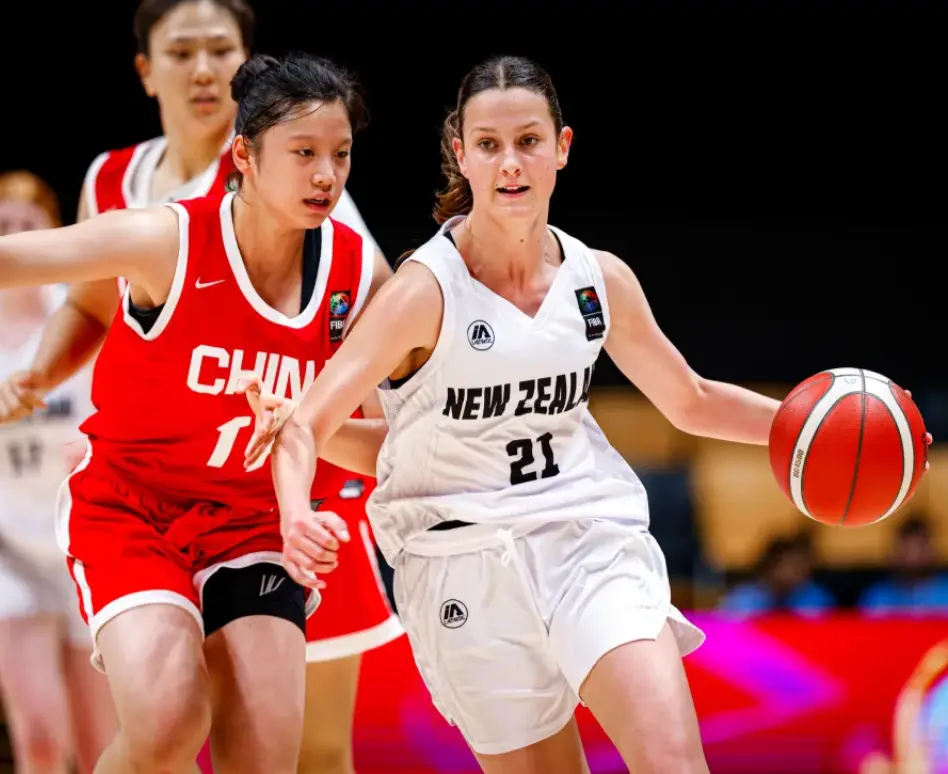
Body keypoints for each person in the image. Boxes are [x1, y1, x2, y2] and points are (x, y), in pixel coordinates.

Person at [242, 54, 805, 774]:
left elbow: (689, 398)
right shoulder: (423, 293)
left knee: (673, 760)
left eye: (529, 141)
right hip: (460, 566)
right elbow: (308, 428)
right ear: (461, 153)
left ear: (562, 147)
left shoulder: (598, 279)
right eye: (488, 144)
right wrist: (296, 514)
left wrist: (806, 430)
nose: (510, 162)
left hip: (587, 541)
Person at [0, 1, 402, 770]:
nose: (326, 174)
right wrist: (38, 373)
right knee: (168, 726)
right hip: (136, 504)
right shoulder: (161, 231)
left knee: (272, 750)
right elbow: (29, 266)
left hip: (258, 519)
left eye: (342, 154)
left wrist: (307, 430)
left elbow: (397, 435)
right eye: (305, 154)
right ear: (244, 155)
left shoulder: (357, 270)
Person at [0, 171, 117, 773]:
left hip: (84, 541)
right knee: (41, 740)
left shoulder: (81, 311)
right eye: (3, 225)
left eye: (29, 224)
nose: (15, 235)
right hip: (9, 553)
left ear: (52, 233)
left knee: (105, 745)